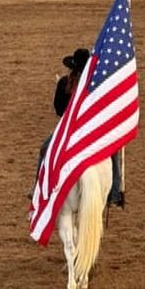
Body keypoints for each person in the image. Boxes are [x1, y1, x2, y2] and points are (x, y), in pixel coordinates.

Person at [30, 47, 124, 208]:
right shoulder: (95, 85)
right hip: (91, 128)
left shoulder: (64, 83)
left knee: (45, 150)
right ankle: (114, 193)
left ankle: (38, 188)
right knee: (113, 152)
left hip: (68, 129)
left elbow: (59, 109)